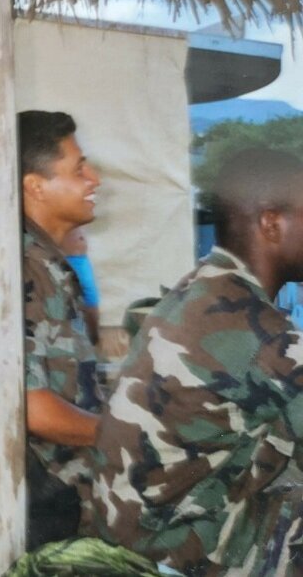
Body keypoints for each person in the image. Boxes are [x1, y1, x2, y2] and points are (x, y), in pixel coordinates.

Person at [92, 148, 303, 576]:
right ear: (271, 223)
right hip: (179, 549)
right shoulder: (258, 330)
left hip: (133, 523)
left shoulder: (201, 286)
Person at [19, 110, 104, 549]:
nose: (95, 180)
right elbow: (32, 409)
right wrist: (127, 433)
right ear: (35, 185)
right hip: (49, 508)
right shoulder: (24, 269)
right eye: (79, 169)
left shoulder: (46, 262)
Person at [61, 227, 101, 346]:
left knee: (90, 301)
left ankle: (93, 339)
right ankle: (92, 339)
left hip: (80, 260)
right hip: (66, 259)